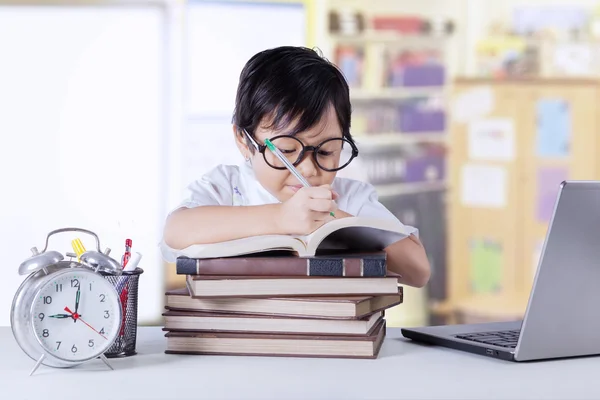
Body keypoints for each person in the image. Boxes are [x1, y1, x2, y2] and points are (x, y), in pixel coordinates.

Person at [161, 46, 431, 288]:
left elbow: (418, 272)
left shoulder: (350, 199)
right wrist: (281, 217)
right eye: (288, 151)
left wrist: (339, 222)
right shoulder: (226, 187)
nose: (308, 170)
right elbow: (176, 231)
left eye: (326, 151)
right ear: (244, 141)